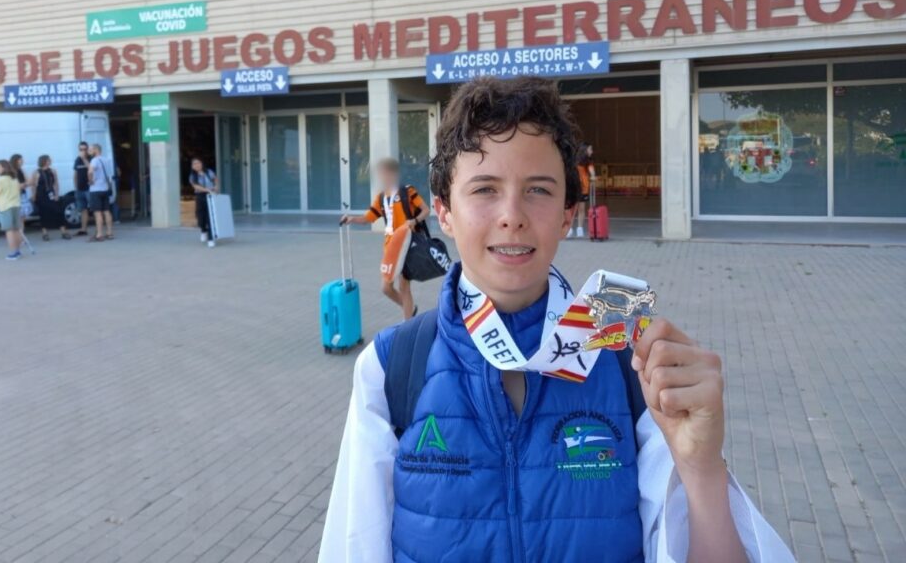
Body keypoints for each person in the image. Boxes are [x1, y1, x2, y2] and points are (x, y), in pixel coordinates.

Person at [319, 77, 793, 562]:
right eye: (484, 189)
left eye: (538, 190)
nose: (512, 216)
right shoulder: (391, 367)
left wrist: (702, 468)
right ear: (444, 212)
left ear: (568, 214)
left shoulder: (632, 365)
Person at [340, 158, 430, 321]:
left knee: (404, 287)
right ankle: (410, 309)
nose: (383, 178)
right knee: (386, 288)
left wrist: (414, 221)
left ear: (394, 174)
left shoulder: (407, 191)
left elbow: (425, 210)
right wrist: (351, 219)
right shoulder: (381, 197)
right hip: (390, 248)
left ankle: (408, 323)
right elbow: (369, 217)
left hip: (407, 245)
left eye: (386, 174)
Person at [31, 155, 71, 241]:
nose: (49, 161)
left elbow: (56, 183)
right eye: (48, 160)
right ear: (44, 161)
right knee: (44, 214)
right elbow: (34, 185)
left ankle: (63, 231)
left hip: (51, 194)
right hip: (41, 195)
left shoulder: (52, 171)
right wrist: (34, 195)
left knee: (58, 211)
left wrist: (56, 194)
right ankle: (45, 233)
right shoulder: (36, 172)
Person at [0, 159, 23, 261]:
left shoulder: (0, 180)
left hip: (6, 206)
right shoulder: (14, 179)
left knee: (9, 230)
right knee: (16, 229)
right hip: (16, 205)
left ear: (4, 168)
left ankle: (13, 253)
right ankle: (18, 251)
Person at [567, 142, 596, 238]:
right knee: (572, 208)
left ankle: (580, 228)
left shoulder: (588, 160)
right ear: (585, 150)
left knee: (581, 208)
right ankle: (569, 229)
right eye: (590, 149)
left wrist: (593, 176)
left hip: (583, 187)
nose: (591, 151)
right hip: (574, 185)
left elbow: (591, 170)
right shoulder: (574, 159)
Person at [189, 158, 219, 247]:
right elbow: (196, 186)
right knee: (201, 217)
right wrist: (207, 190)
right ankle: (203, 230)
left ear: (202, 164)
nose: (197, 165)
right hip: (200, 196)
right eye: (194, 164)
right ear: (192, 166)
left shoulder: (208, 172)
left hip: (211, 196)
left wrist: (216, 187)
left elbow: (215, 179)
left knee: (210, 217)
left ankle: (211, 238)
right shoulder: (192, 176)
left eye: (198, 163)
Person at [87, 144, 113, 242]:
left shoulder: (94, 160)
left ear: (96, 150)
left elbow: (90, 171)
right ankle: (110, 233)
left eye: (90, 149)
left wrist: (90, 180)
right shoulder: (106, 160)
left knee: (97, 213)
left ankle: (99, 234)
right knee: (106, 211)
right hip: (105, 188)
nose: (89, 151)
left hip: (96, 189)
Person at [73, 141, 91, 236]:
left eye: (84, 149)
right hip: (80, 189)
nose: (83, 151)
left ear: (88, 149)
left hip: (90, 188)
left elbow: (91, 168)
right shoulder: (77, 159)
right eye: (81, 149)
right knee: (83, 209)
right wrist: (76, 188)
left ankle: (99, 230)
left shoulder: (91, 158)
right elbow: (75, 174)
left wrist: (84, 159)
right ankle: (83, 229)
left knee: (96, 209)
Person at [10, 153, 31, 233]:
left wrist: (24, 184)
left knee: (23, 216)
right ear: (15, 161)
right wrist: (24, 184)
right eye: (21, 160)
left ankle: (21, 235)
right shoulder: (12, 171)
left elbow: (28, 181)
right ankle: (18, 235)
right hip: (16, 196)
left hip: (22, 194)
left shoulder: (21, 170)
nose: (22, 161)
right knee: (18, 217)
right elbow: (14, 185)